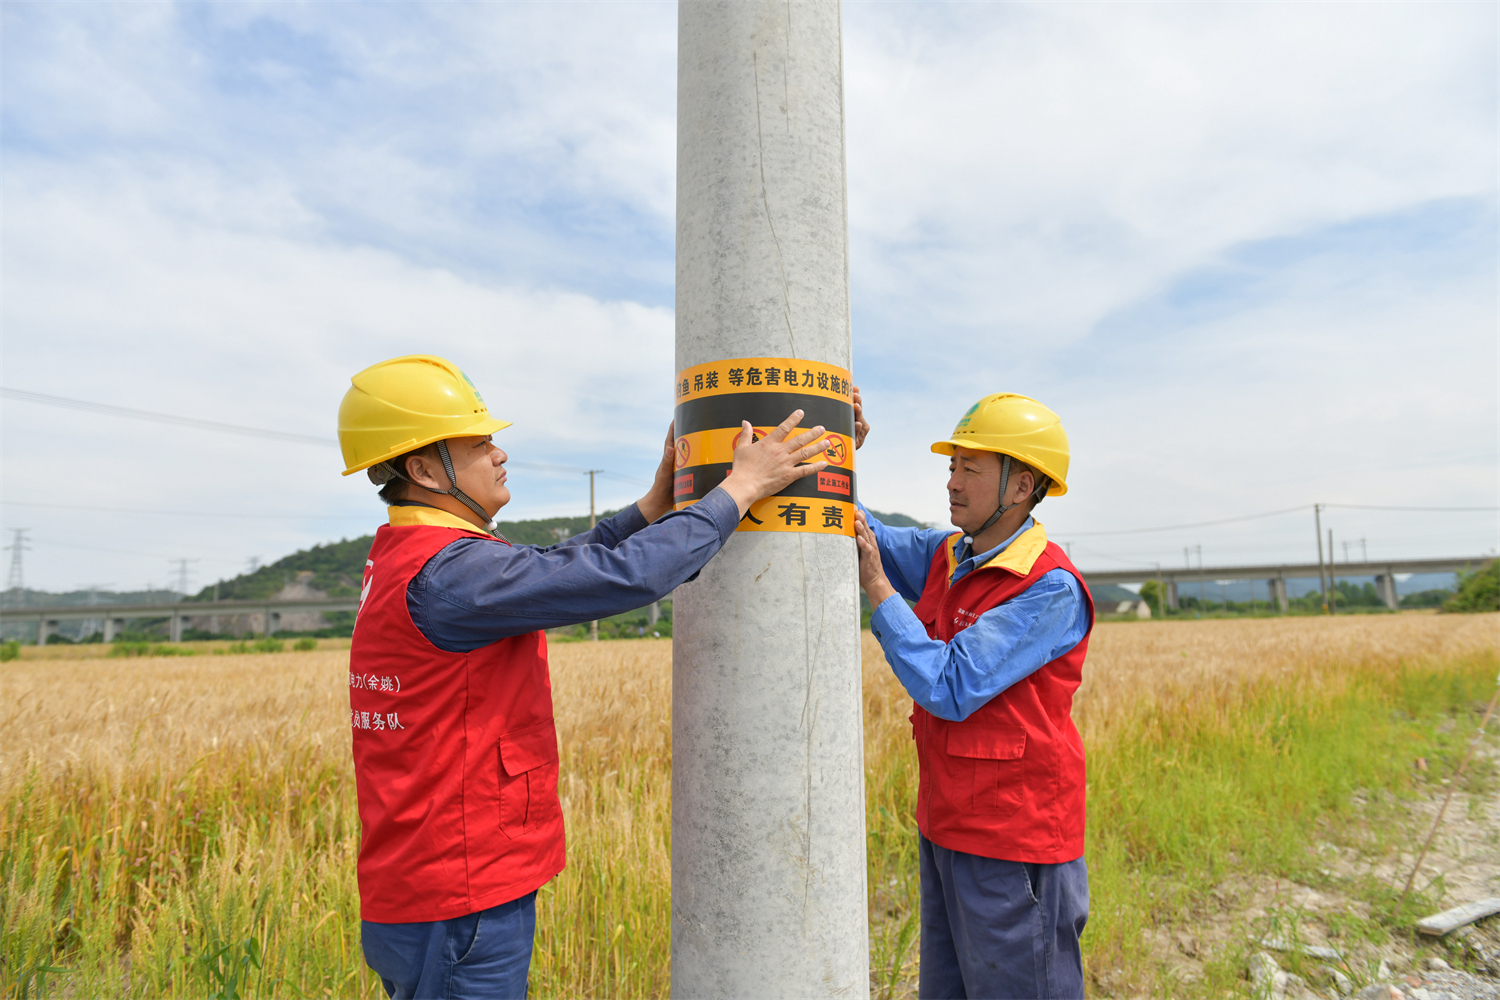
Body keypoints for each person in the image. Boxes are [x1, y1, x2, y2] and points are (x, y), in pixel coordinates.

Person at [337, 354, 832, 1000]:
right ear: (424, 469)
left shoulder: (418, 560)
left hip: (429, 889)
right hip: (460, 896)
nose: (499, 453)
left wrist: (654, 505)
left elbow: (557, 563)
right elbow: (625, 576)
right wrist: (738, 491)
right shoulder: (451, 576)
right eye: (479, 442)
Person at [852, 392, 1094, 1000]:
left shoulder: (1047, 588)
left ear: (1021, 487)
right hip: (947, 826)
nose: (953, 483)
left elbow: (948, 685)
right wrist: (837, 454)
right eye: (951, 467)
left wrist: (879, 589)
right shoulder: (948, 554)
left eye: (971, 469)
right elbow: (861, 532)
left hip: (1015, 842)